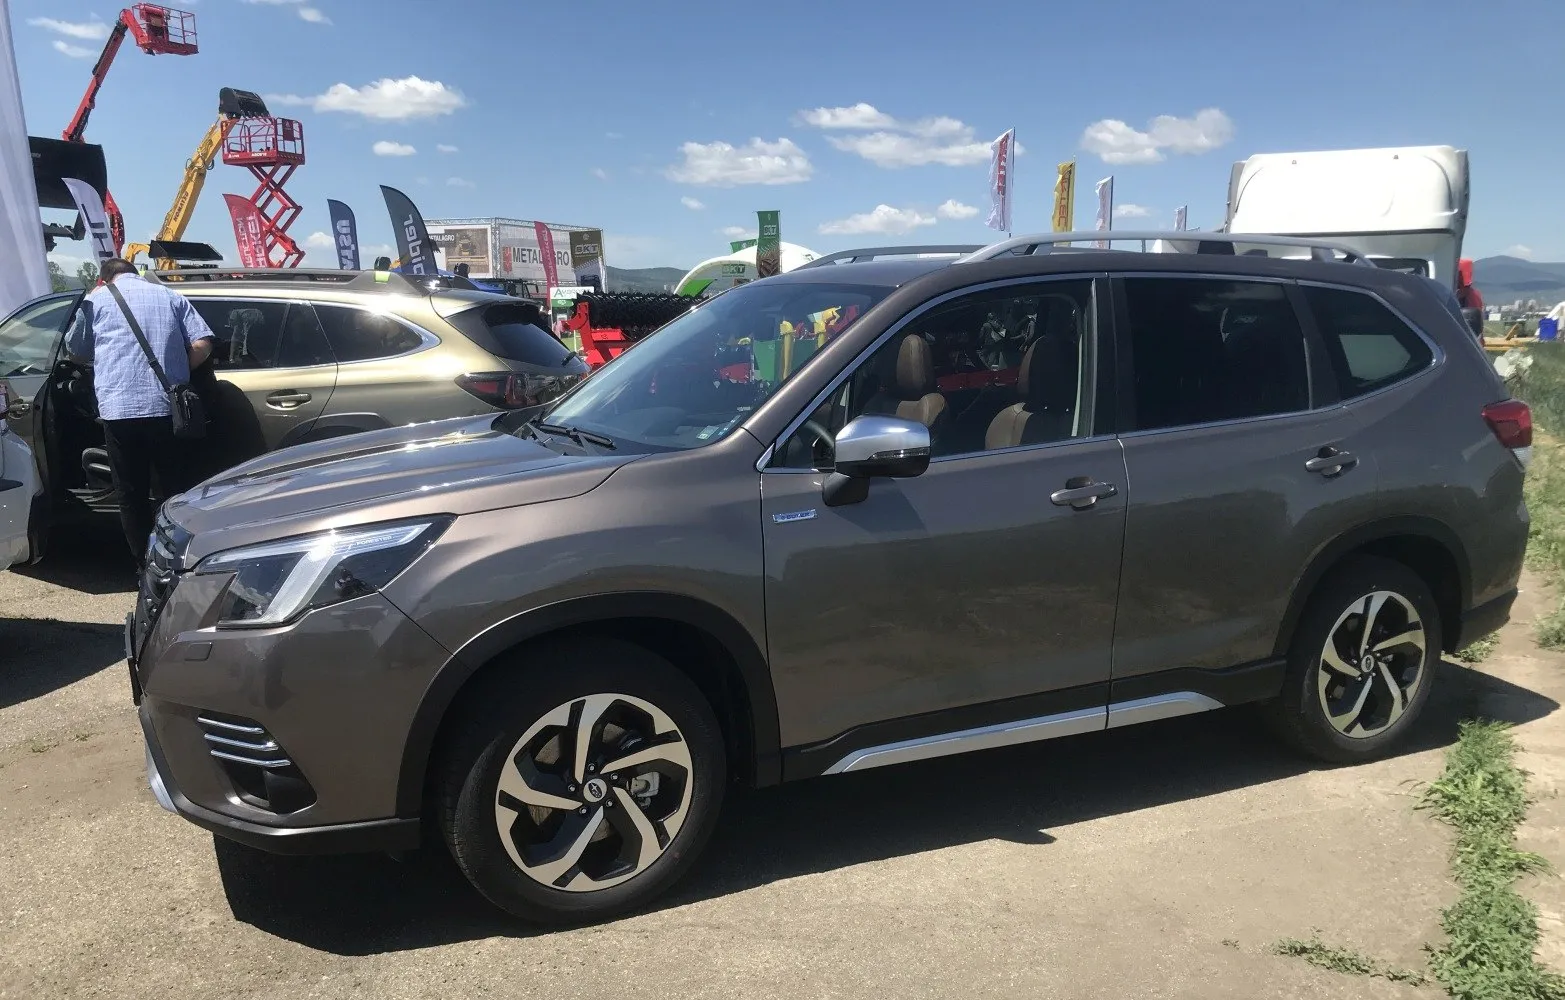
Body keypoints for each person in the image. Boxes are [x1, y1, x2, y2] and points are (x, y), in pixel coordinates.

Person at [67, 257, 216, 565]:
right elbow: (203, 344)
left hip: (119, 411)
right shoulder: (169, 295)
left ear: (105, 279)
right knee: (172, 492)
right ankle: (177, 562)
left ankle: (143, 567)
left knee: (130, 494)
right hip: (167, 409)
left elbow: (77, 352)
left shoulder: (96, 300)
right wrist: (175, 374)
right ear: (136, 274)